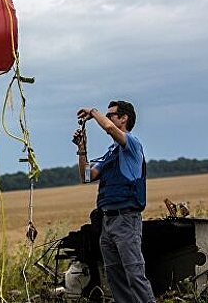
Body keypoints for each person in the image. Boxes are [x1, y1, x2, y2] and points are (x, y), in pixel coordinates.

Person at [73, 101, 156, 303]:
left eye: (111, 114)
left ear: (124, 118)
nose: (108, 118)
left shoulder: (132, 144)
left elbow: (109, 128)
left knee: (134, 273)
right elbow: (86, 176)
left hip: (126, 219)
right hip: (108, 221)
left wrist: (92, 112)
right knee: (115, 277)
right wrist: (82, 149)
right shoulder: (111, 153)